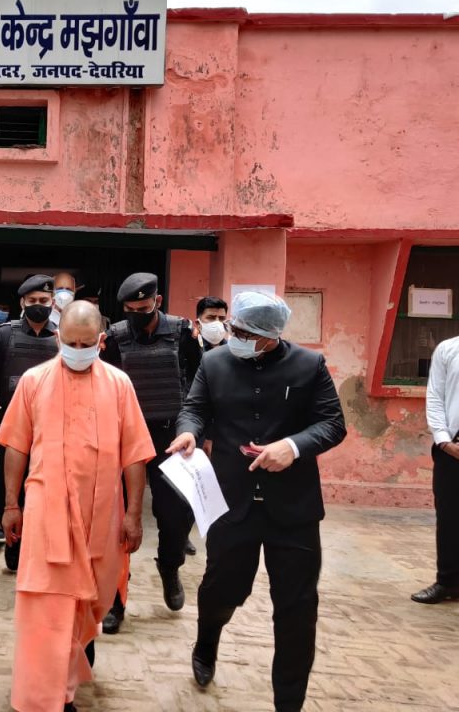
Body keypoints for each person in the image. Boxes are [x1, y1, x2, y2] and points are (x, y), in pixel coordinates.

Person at [168, 291, 346, 712]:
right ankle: (206, 641)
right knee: (221, 591)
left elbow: (332, 423)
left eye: (247, 333)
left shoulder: (308, 365)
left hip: (294, 510)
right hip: (232, 504)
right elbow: (194, 408)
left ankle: (288, 702)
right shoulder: (214, 363)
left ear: (271, 335)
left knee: (297, 611)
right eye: (234, 330)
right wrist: (190, 431)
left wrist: (295, 446)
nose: (236, 337)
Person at [0, 301, 153, 712]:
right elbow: (15, 445)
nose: (78, 350)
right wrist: (11, 505)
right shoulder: (34, 381)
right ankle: (45, 698)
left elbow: (134, 456)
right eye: (70, 342)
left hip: (102, 518)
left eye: (87, 343)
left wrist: (135, 515)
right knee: (45, 606)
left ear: (102, 342)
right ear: (57, 339)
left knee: (87, 606)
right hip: (47, 513)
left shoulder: (120, 384)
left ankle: (65, 684)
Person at [100, 273, 201, 628]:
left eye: (142, 308)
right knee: (117, 521)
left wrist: (196, 432)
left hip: (169, 437)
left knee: (173, 518)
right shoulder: (114, 337)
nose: (136, 315)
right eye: (129, 309)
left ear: (157, 301)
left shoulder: (182, 332)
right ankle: (115, 598)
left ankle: (169, 567)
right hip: (124, 437)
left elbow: (198, 385)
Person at [0, 275, 58, 564]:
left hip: (51, 432)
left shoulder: (62, 338)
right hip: (13, 429)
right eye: (32, 301)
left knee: (47, 491)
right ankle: (14, 542)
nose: (38, 306)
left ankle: (39, 546)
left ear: (53, 303)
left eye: (44, 301)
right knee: (7, 490)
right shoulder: (5, 335)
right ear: (22, 303)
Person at [412, 332, 459, 604]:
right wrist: (443, 441)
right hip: (452, 448)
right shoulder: (448, 349)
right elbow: (435, 396)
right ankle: (448, 581)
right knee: (450, 517)